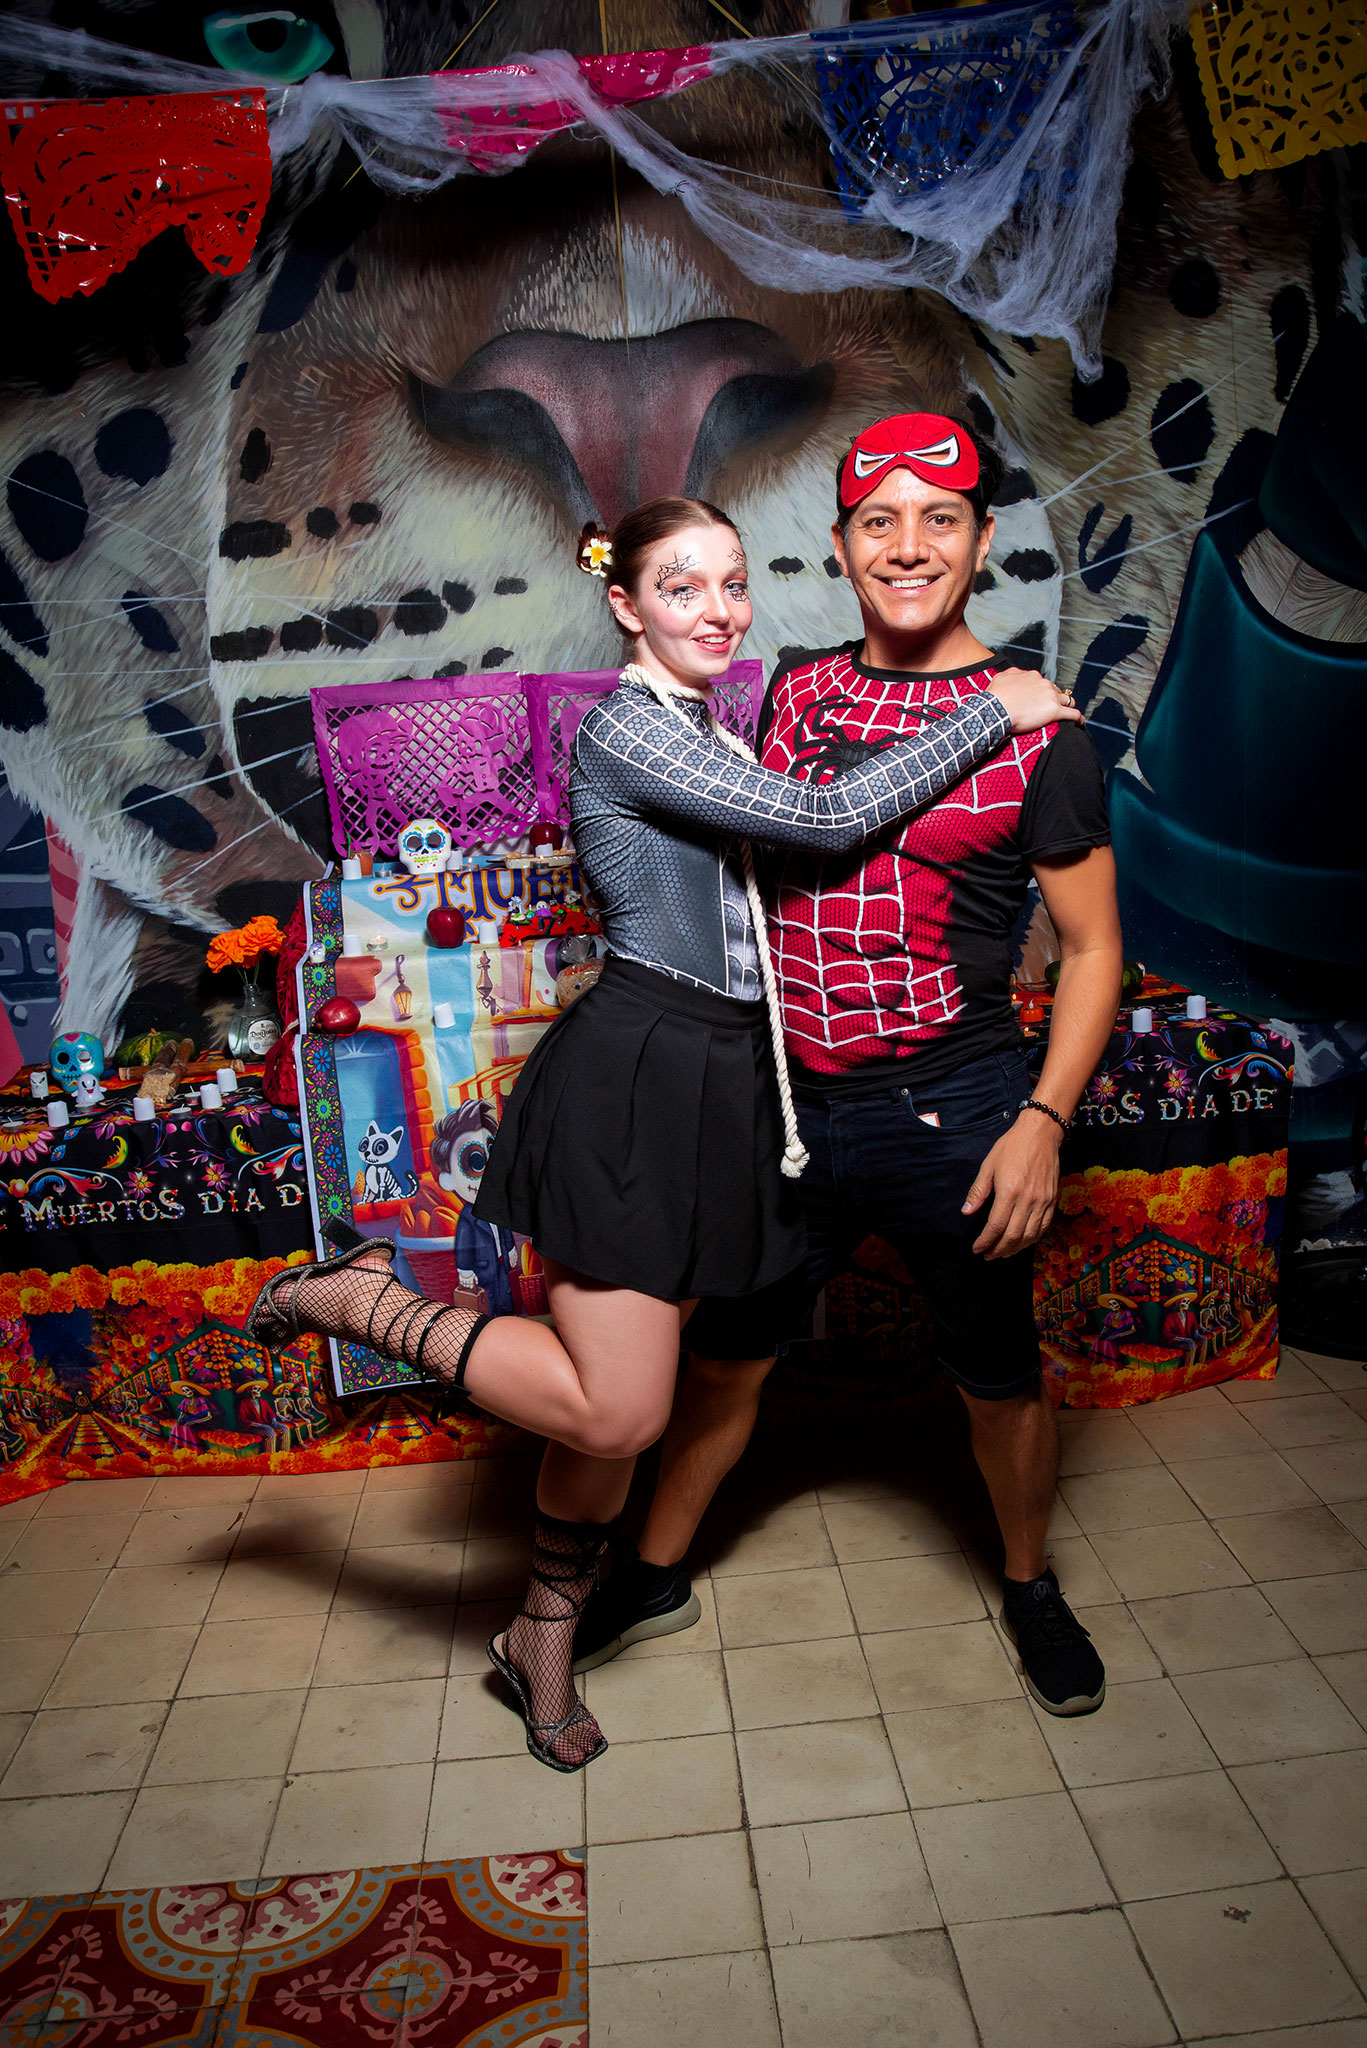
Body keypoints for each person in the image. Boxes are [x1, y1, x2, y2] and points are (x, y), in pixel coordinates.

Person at [246, 493, 1077, 1770]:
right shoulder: (627, 725)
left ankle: (541, 1633)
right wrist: (987, 712)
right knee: (618, 1408)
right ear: (624, 604)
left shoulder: (710, 725)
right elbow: (819, 823)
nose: (718, 610)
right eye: (681, 587)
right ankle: (359, 1297)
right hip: (638, 1076)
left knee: (616, 1402)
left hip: (724, 1088)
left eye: (733, 583)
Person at [573, 416, 1123, 1720]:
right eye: (878, 520)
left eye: (939, 518)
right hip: (786, 1112)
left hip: (958, 1111)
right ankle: (652, 1569)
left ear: (982, 542)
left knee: (995, 1377)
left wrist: (1043, 1121)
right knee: (725, 1361)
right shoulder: (787, 692)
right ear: (838, 546)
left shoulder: (1043, 732)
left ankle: (1029, 1583)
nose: (907, 545)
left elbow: (1095, 950)